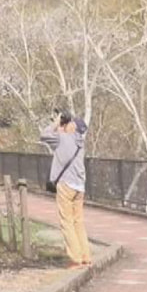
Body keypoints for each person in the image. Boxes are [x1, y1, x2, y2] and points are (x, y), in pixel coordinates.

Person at [40, 111, 91, 267]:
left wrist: (56, 122)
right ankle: (85, 255)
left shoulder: (62, 138)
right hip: (79, 186)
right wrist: (63, 126)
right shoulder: (80, 143)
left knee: (66, 222)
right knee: (78, 222)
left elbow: (44, 135)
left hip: (66, 185)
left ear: (73, 126)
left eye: (69, 123)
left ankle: (75, 258)